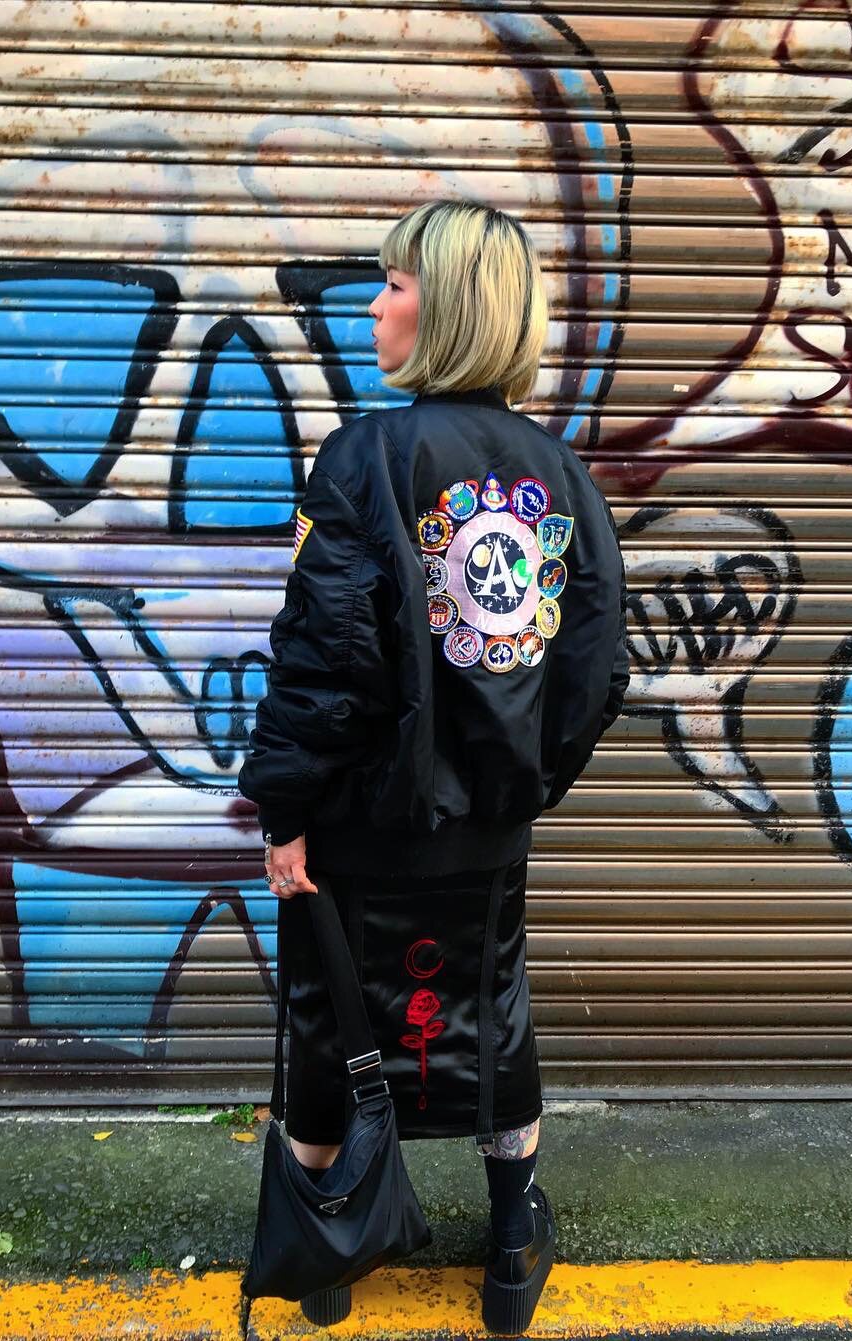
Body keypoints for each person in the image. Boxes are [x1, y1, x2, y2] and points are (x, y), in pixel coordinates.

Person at [237, 197, 629, 1335]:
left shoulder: (362, 459)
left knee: (330, 1015)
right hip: (487, 828)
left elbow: (322, 662)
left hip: (359, 825)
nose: (373, 305)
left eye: (396, 284)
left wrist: (285, 809)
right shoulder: (561, 475)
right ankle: (510, 1244)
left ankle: (326, 1259)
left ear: (448, 307)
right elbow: (598, 664)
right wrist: (523, 781)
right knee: (490, 1012)